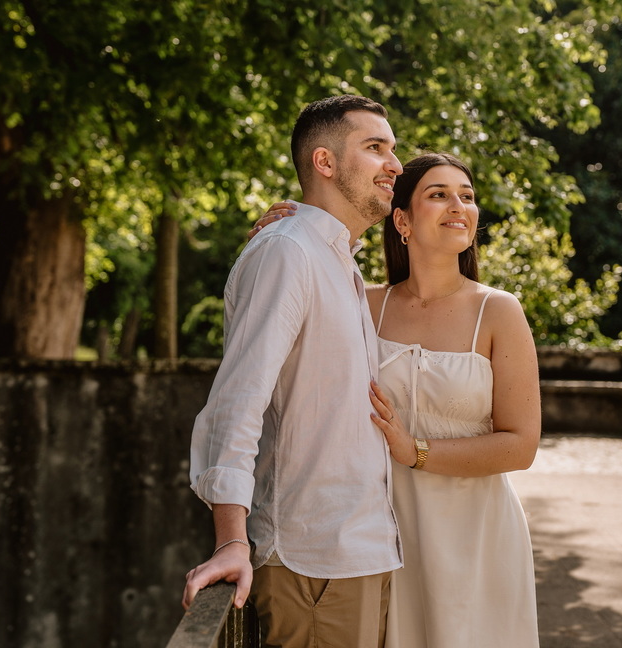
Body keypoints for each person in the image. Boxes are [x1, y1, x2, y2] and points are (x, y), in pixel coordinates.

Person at [253, 153, 541, 647]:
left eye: (467, 196)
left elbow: (521, 445)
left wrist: (416, 451)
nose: (459, 206)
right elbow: (288, 310)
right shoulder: (364, 302)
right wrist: (277, 237)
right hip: (379, 531)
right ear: (402, 221)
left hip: (475, 533)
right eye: (439, 194)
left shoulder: (498, 311)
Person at [183, 94, 404, 648]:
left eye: (393, 150)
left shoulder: (337, 259)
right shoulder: (288, 251)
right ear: (324, 162)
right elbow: (239, 399)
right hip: (314, 559)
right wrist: (231, 540)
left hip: (359, 552)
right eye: (375, 148)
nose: (395, 165)